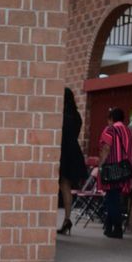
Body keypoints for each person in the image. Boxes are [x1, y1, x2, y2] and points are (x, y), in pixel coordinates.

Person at [98, 107, 132, 239]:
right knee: (114, 198)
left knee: (111, 198)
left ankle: (117, 228)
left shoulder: (110, 129)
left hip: (112, 169)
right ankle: (108, 227)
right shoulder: (129, 132)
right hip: (125, 170)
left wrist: (100, 164)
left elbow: (106, 148)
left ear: (111, 118)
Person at [57, 87, 88, 235]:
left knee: (57, 186)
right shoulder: (76, 117)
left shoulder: (60, 116)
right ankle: (67, 219)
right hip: (73, 153)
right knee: (66, 187)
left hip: (62, 152)